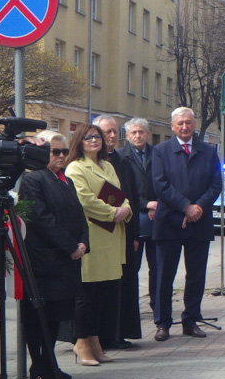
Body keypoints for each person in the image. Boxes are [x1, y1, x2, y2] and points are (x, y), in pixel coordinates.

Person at [18, 131, 88, 379]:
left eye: (63, 151)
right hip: (44, 261)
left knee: (56, 316)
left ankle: (51, 364)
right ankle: (39, 366)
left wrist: (83, 242)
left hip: (65, 261)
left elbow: (79, 215)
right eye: (54, 151)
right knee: (40, 318)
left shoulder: (63, 179)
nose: (60, 156)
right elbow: (41, 219)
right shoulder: (34, 180)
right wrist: (70, 246)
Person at [151, 108, 221, 342]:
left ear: (194, 124)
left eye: (188, 123)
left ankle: (190, 320)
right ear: (172, 126)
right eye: (180, 123)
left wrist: (198, 207)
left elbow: (215, 184)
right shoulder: (161, 151)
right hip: (169, 222)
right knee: (164, 276)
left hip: (199, 222)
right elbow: (160, 185)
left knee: (196, 275)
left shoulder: (208, 151)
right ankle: (163, 323)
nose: (184, 127)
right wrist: (185, 206)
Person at [65, 125, 133, 366]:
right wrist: (114, 212)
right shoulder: (75, 167)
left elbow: (122, 195)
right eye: (88, 137)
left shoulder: (108, 165)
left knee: (102, 294)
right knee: (87, 295)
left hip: (112, 237)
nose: (94, 140)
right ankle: (80, 341)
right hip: (92, 235)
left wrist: (125, 210)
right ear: (79, 142)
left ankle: (95, 340)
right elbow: (84, 200)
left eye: (97, 137)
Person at [93, 115, 141, 350]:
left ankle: (119, 332)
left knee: (124, 284)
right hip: (100, 232)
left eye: (114, 132)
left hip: (124, 231)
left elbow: (131, 196)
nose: (111, 136)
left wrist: (134, 236)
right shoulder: (91, 163)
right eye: (106, 132)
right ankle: (99, 336)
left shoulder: (123, 162)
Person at [116, 118, 158, 311]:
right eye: (134, 132)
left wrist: (157, 205)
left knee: (158, 266)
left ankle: (157, 303)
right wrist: (145, 204)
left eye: (141, 132)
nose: (138, 136)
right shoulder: (119, 157)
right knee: (132, 267)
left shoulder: (158, 154)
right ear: (127, 135)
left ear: (147, 134)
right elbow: (123, 190)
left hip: (157, 217)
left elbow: (164, 182)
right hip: (134, 219)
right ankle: (131, 308)